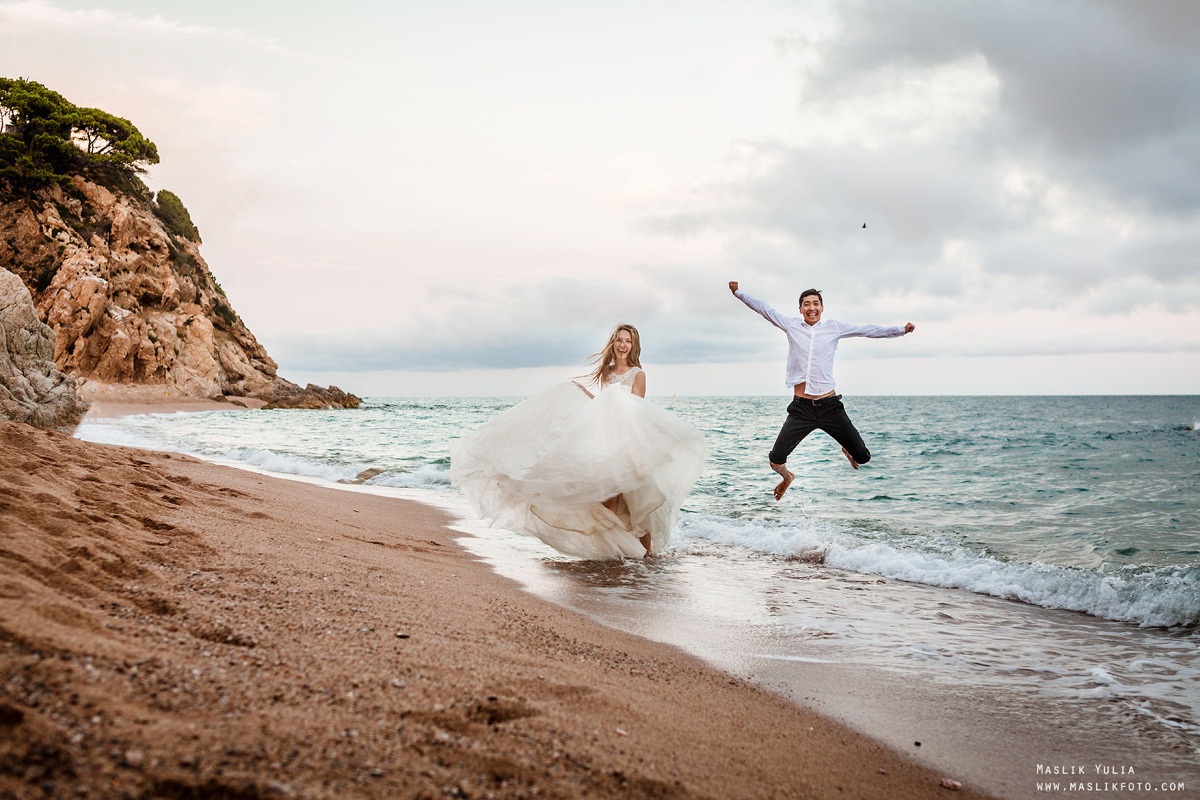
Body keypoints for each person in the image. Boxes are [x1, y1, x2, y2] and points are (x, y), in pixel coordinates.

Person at [448, 324, 707, 559]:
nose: (622, 345)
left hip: (627, 441)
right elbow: (602, 406)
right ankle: (613, 549)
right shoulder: (605, 373)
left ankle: (647, 557)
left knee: (639, 502)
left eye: (628, 341)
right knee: (607, 497)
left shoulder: (638, 375)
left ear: (634, 345)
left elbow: (635, 410)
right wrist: (580, 394)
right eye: (618, 340)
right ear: (612, 343)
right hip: (605, 440)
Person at [729, 281, 915, 500]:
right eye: (806, 304)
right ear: (800, 309)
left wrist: (900, 331)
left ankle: (847, 448)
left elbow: (866, 330)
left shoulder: (833, 327)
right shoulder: (791, 325)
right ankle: (788, 477)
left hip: (830, 406)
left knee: (863, 457)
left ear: (822, 308)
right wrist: (738, 293)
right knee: (775, 460)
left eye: (815, 304)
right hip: (801, 409)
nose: (811, 308)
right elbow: (765, 310)